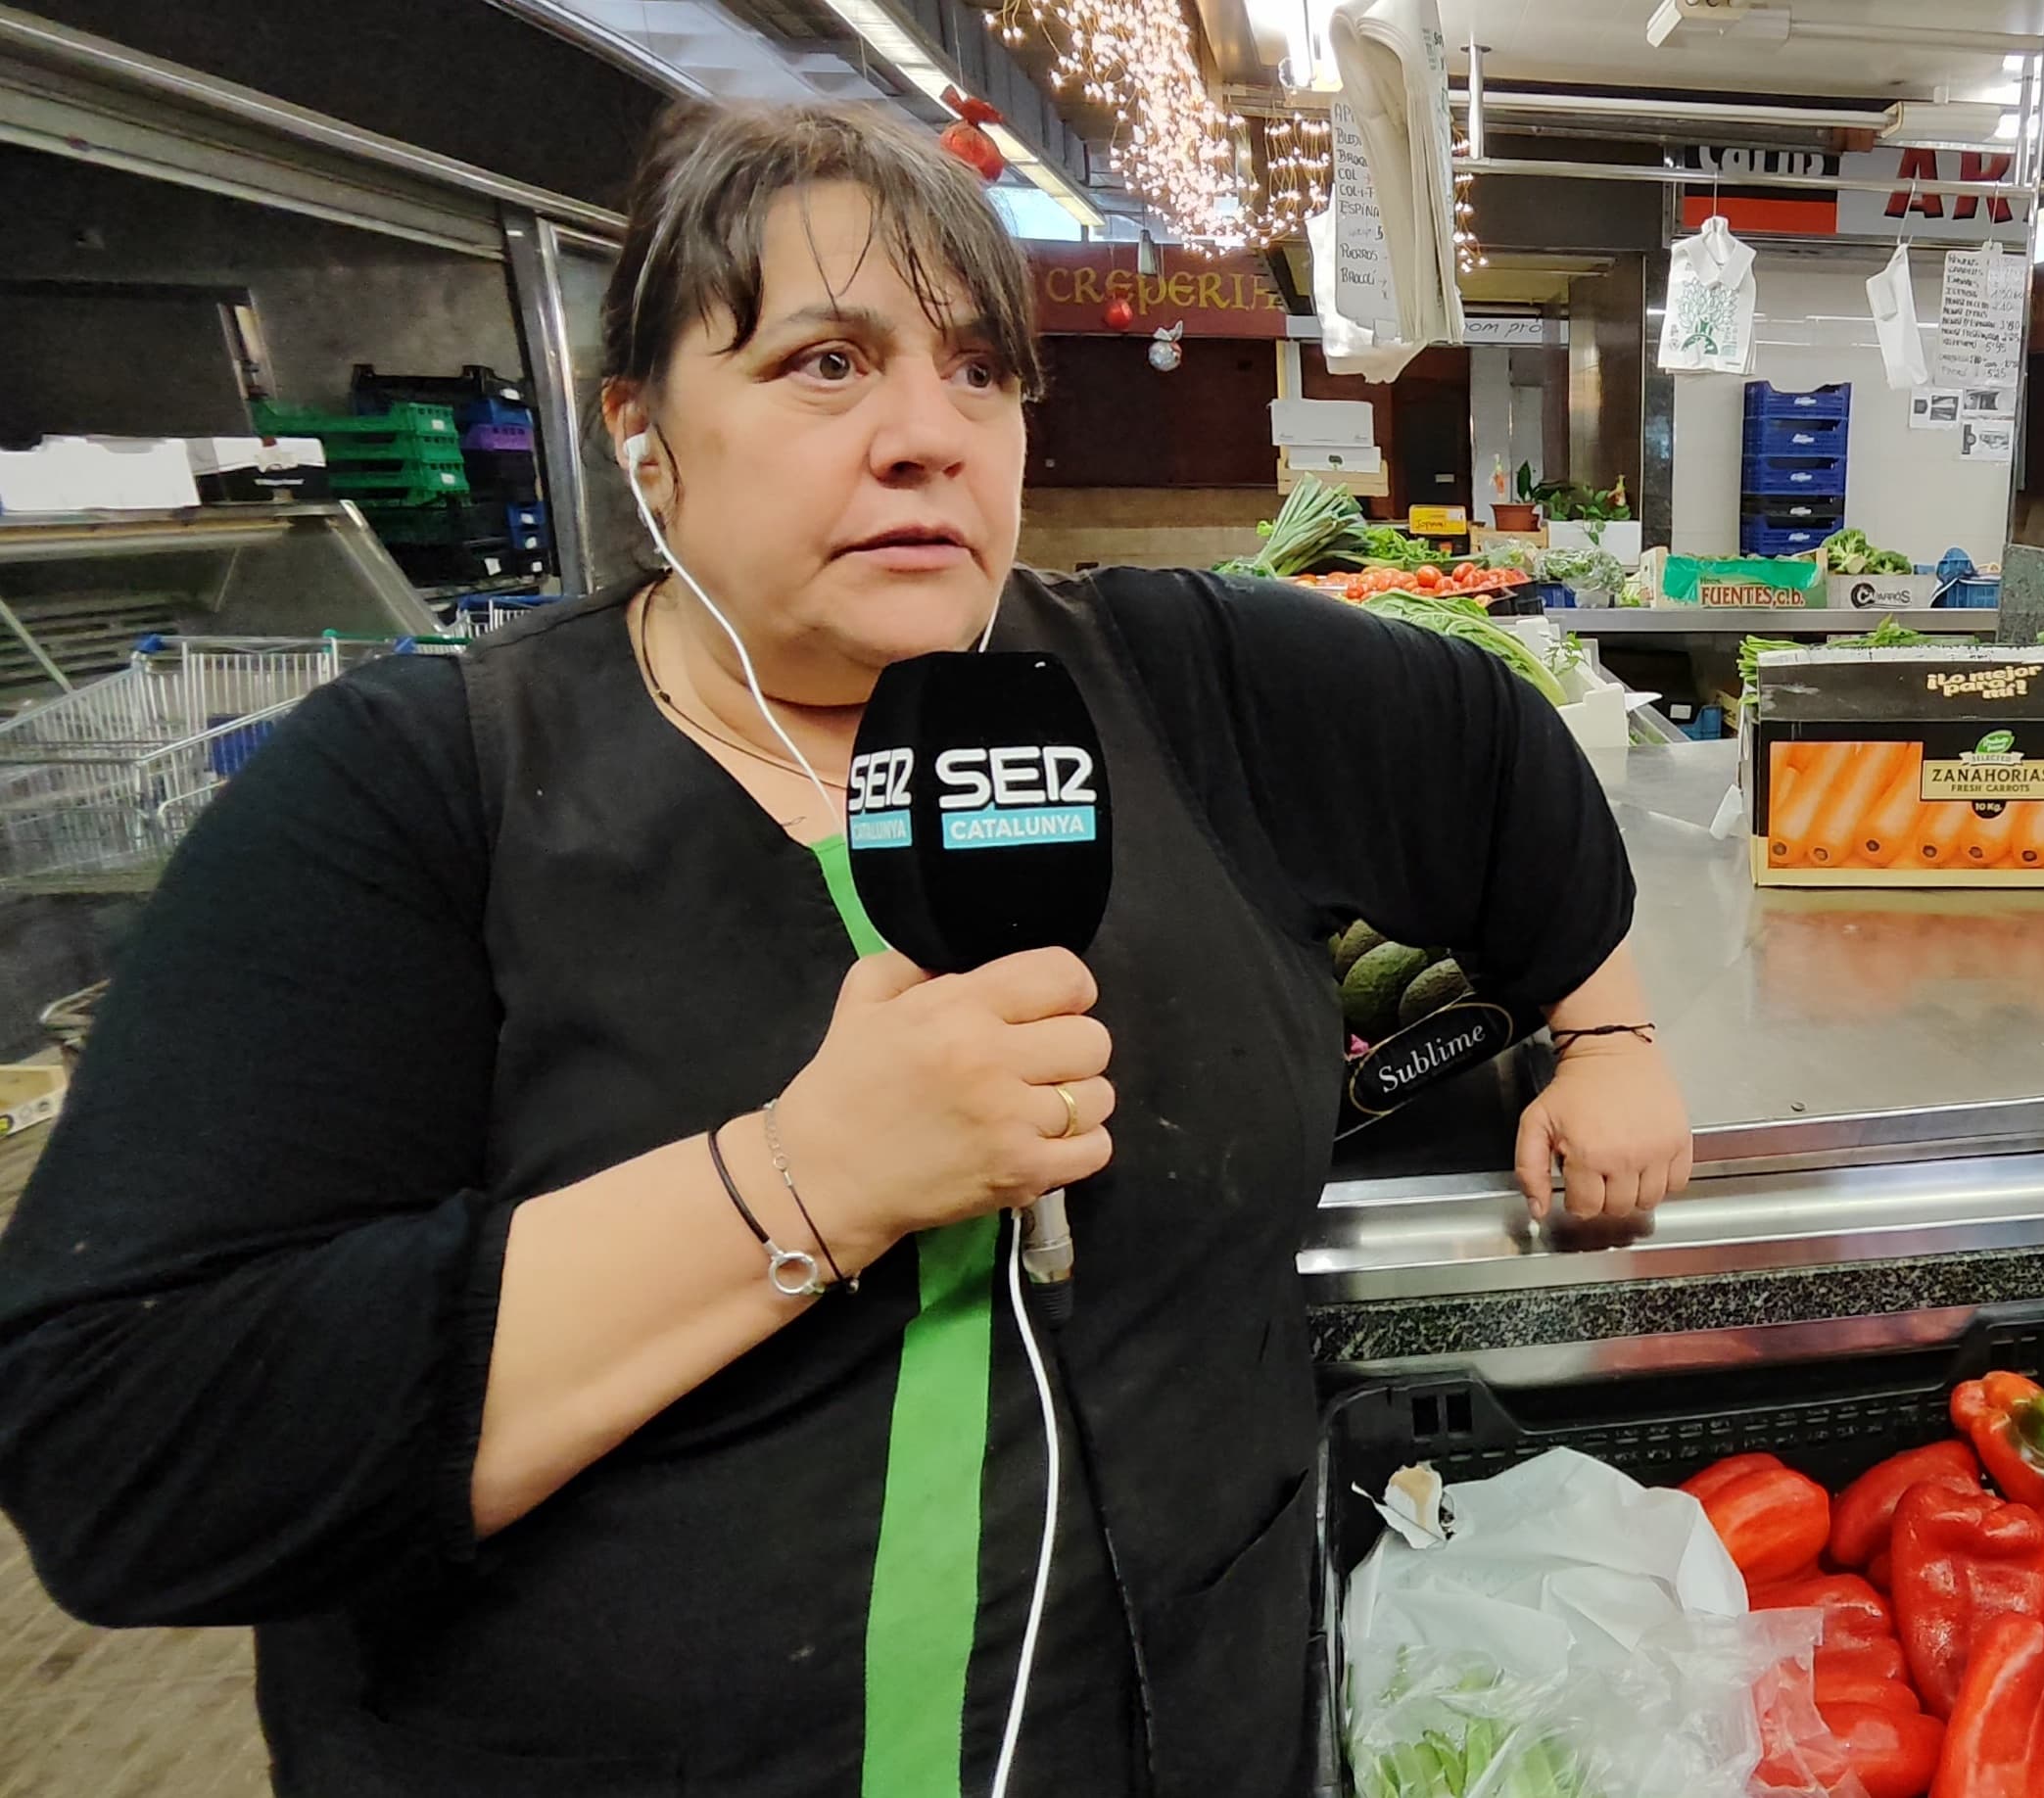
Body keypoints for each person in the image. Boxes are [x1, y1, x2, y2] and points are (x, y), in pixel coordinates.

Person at [0, 100, 1690, 1798]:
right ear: (642, 432)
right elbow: (132, 1446)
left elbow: (1493, 759)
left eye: (978, 369)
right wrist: (802, 1181)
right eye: (824, 363)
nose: (926, 435)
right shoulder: (418, 797)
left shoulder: (1187, 687)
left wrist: (1605, 1035)